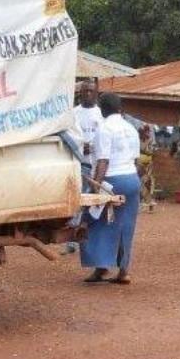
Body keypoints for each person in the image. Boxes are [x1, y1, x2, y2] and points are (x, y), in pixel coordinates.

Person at [80, 93, 142, 284]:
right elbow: (136, 159)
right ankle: (124, 271)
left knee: (94, 221)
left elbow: (103, 161)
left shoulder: (104, 129)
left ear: (102, 108)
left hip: (112, 181)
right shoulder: (131, 128)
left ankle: (101, 267)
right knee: (125, 226)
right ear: (119, 108)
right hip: (132, 179)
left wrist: (96, 188)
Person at [63, 79, 102, 255]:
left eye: (91, 91)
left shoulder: (101, 114)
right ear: (79, 94)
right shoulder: (73, 113)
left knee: (96, 202)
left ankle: (92, 238)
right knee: (78, 200)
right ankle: (72, 240)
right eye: (84, 91)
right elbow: (68, 135)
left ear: (96, 93)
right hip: (78, 163)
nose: (87, 94)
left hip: (99, 165)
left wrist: (93, 146)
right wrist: (80, 147)